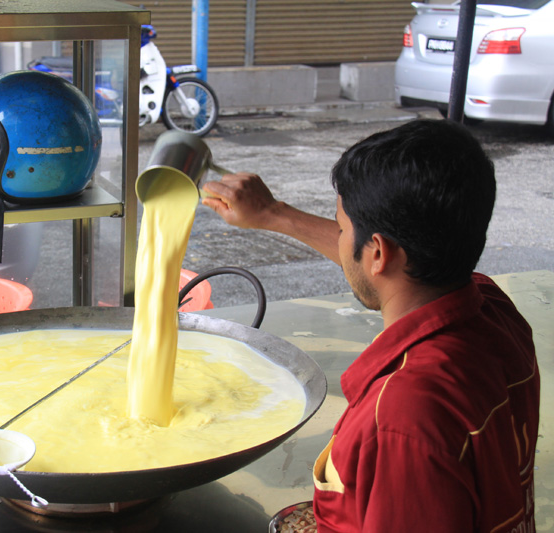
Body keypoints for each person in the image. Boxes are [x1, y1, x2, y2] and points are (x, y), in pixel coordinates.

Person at [202, 119, 540, 532]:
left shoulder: (401, 418)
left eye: (342, 229)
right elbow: (385, 257)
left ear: (377, 252)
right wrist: (272, 214)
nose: (340, 240)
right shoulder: (495, 311)